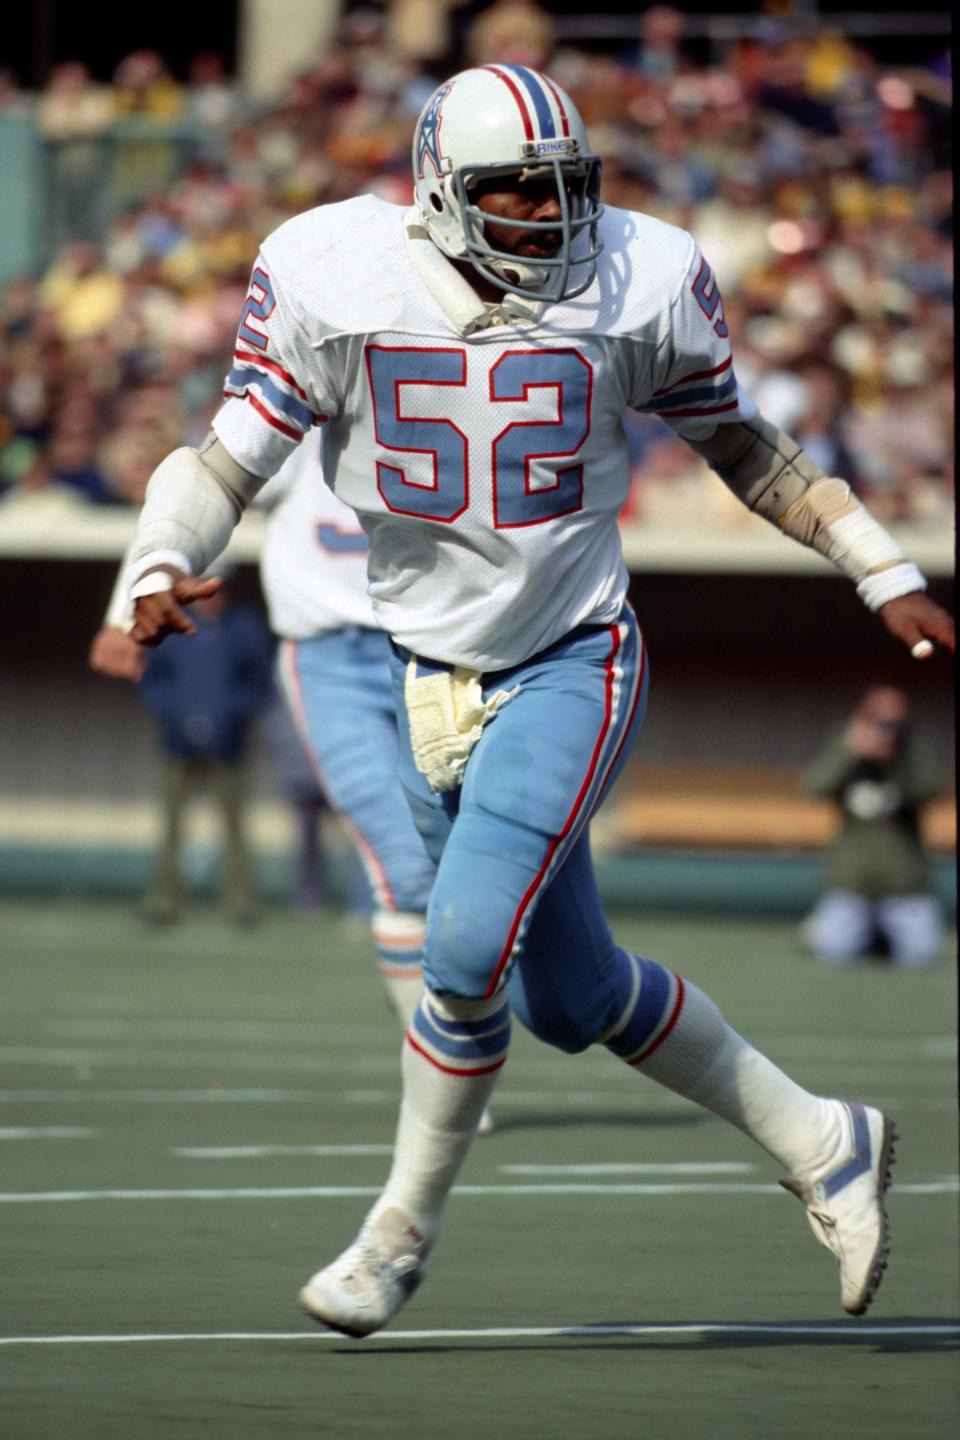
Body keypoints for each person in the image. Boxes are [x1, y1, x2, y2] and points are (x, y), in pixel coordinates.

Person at [122, 65, 954, 1335]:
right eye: (514, 192)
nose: (546, 217)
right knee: (574, 1000)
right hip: (424, 672)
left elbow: (746, 445)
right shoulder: (340, 276)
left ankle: (395, 1239)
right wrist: (160, 557)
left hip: (573, 654)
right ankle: (825, 1136)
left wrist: (879, 565)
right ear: (442, 193)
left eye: (565, 189)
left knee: (459, 950)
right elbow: (228, 453)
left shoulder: (638, 279)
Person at [134, 568, 274, 925]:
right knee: (172, 826)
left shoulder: (243, 626)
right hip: (178, 741)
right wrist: (178, 714)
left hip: (229, 742)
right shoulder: (173, 625)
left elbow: (259, 682)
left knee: (235, 828)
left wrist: (230, 714)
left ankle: (240, 902)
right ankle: (166, 900)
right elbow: (152, 679)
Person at [800, 685, 946, 968]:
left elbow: (930, 788)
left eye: (893, 720)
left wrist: (893, 762)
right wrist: (850, 751)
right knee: (834, 950)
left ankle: (879, 937)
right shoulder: (846, 743)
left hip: (904, 879)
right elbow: (815, 786)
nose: (885, 727)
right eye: (877, 717)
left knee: (921, 955)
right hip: (853, 878)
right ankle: (835, 929)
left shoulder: (912, 747)